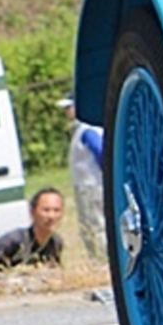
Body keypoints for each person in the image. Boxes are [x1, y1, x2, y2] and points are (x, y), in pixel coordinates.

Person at [61, 98, 107, 260]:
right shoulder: (81, 130)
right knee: (90, 225)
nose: (67, 112)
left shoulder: (87, 130)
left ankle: (101, 258)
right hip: (87, 184)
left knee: (95, 225)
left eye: (69, 107)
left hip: (91, 185)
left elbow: (100, 152)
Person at [0, 188, 66, 269]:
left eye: (56, 210)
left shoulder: (55, 243)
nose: (51, 216)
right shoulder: (12, 242)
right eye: (46, 210)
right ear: (32, 212)